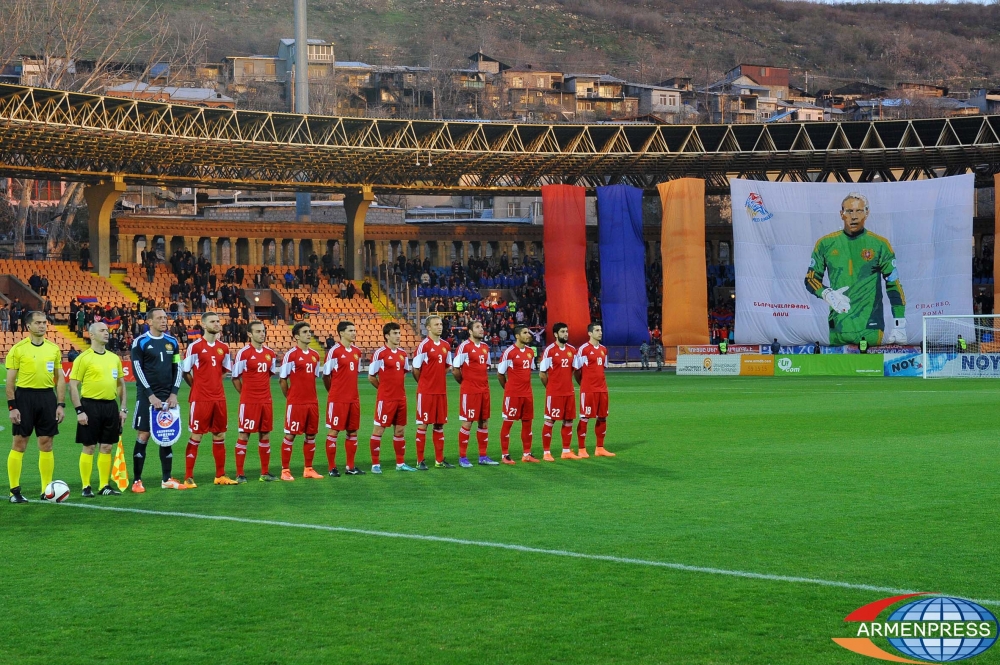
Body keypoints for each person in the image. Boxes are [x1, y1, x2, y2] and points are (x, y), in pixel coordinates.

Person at [805, 192, 906, 346]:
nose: (854, 216)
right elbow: (810, 279)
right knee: (839, 369)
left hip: (871, 325)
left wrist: (900, 323)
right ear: (841, 214)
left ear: (867, 213)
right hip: (839, 324)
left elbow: (893, 283)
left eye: (859, 211)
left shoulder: (880, 244)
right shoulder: (825, 244)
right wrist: (826, 293)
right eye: (849, 211)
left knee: (869, 369)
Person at [5, 311, 66, 503]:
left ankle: (46, 490)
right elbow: (10, 381)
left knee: (47, 443)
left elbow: (60, 379)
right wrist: (12, 407)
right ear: (28, 326)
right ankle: (14, 491)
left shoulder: (53, 349)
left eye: (44, 322)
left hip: (47, 397)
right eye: (38, 323)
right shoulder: (18, 349)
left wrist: (60, 404)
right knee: (19, 443)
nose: (42, 326)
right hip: (24, 397)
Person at [130, 308, 186, 492]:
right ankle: (137, 481)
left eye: (165, 318)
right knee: (143, 435)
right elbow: (137, 370)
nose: (164, 321)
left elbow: (178, 368)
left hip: (167, 396)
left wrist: (174, 393)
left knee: (166, 436)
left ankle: (166, 479)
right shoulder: (140, 342)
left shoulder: (172, 342)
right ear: (150, 321)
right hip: (147, 397)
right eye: (160, 318)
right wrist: (150, 395)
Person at [69, 321, 126, 497]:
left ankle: (104, 486)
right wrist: (79, 410)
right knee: (89, 446)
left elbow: (121, 385)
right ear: (91, 335)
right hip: (90, 405)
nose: (106, 333)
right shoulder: (83, 358)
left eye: (107, 330)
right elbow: (73, 385)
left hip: (110, 406)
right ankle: (86, 486)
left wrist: (123, 408)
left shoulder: (114, 358)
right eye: (102, 330)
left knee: (107, 446)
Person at [181, 312, 236, 487]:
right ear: (204, 325)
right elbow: (185, 371)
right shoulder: (195, 347)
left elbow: (225, 370)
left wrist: (213, 385)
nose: (217, 324)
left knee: (220, 434)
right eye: (213, 321)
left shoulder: (224, 348)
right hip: (200, 399)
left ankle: (220, 475)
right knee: (196, 435)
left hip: (219, 398)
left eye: (218, 321)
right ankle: (188, 476)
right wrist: (198, 387)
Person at [232, 321, 279, 482]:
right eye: (258, 331)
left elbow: (269, 374)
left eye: (263, 331)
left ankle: (264, 473)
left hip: (266, 401)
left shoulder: (270, 354)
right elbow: (235, 377)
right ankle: (240, 474)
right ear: (250, 334)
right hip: (249, 402)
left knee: (265, 434)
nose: (262, 334)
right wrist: (245, 394)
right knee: (244, 435)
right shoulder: (243, 353)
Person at [278, 322, 323, 481]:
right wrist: (290, 398)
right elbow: (282, 380)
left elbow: (313, 378)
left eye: (309, 331)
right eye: (304, 332)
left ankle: (308, 469)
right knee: (290, 435)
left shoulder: (315, 355)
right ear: (296, 336)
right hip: (296, 403)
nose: (308, 334)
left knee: (311, 436)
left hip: (312, 402)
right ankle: (285, 471)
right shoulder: (291, 355)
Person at [368, 322, 415, 473]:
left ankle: (400, 464)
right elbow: (371, 376)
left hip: (401, 398)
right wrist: (383, 389)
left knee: (400, 431)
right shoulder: (380, 353)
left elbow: (404, 373)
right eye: (395, 333)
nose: (398, 336)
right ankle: (375, 465)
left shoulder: (402, 353)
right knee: (378, 431)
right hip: (385, 399)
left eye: (399, 333)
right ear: (387, 336)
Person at [452, 320, 498, 467]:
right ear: (470, 331)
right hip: (470, 391)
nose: (481, 329)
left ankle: (483, 456)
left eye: (482, 327)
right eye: (477, 327)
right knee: (468, 422)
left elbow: (485, 368)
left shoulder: (485, 347)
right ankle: (462, 457)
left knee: (484, 421)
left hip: (484, 390)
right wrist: (466, 384)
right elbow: (455, 369)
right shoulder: (464, 347)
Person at [322, 321, 364, 477]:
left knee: (352, 431)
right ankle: (332, 468)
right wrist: (333, 393)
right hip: (338, 399)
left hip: (354, 398)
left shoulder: (357, 352)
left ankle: (350, 467)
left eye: (355, 330)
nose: (354, 333)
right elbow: (326, 376)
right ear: (341, 333)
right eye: (350, 330)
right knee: (334, 431)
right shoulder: (334, 352)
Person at [412, 315, 455, 470]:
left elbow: (447, 366)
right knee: (423, 426)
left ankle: (439, 460)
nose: (440, 327)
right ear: (428, 328)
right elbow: (415, 369)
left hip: (441, 392)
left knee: (439, 426)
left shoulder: (446, 346)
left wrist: (436, 380)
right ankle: (420, 461)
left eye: (441, 324)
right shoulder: (423, 346)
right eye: (436, 324)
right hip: (426, 393)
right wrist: (425, 382)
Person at [497, 324, 539, 464]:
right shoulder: (509, 352)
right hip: (513, 394)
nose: (529, 335)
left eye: (528, 332)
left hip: (527, 394)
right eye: (525, 333)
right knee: (508, 424)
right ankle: (505, 455)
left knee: (528, 424)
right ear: (517, 336)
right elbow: (500, 374)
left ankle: (527, 454)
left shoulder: (530, 352)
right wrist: (509, 389)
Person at [573, 323, 615, 458]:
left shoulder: (603, 349)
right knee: (585, 418)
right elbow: (576, 370)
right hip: (588, 390)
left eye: (601, 330)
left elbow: (602, 369)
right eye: (597, 330)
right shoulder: (583, 350)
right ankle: (581, 449)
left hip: (602, 389)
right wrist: (584, 384)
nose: (600, 332)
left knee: (602, 417)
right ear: (590, 333)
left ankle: (600, 448)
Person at [539, 322, 579, 462]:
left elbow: (576, 370)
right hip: (554, 393)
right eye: (562, 332)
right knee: (550, 420)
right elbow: (542, 373)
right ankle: (546, 452)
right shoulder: (549, 350)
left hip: (569, 392)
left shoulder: (572, 350)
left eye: (566, 331)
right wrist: (550, 388)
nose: (565, 334)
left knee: (568, 420)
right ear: (556, 334)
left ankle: (566, 451)